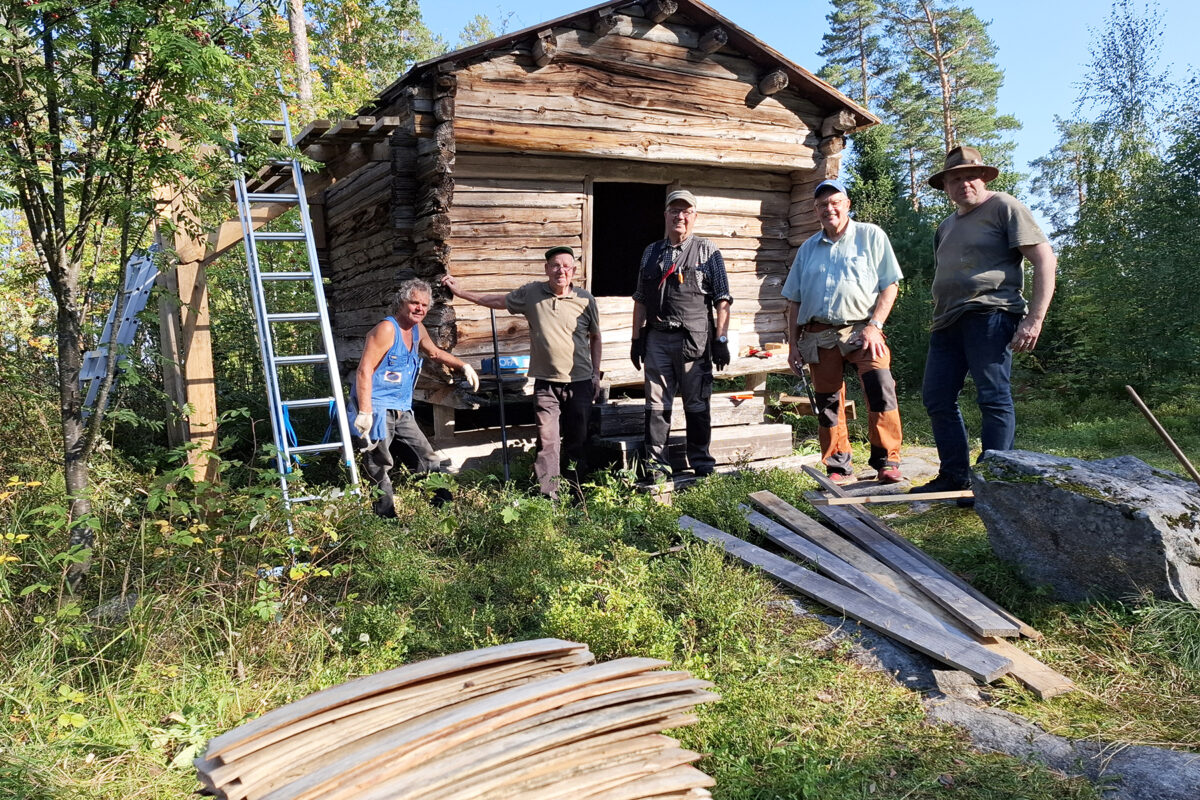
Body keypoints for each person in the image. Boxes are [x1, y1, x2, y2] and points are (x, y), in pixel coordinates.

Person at [913, 145, 1057, 494]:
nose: (964, 184)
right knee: (937, 397)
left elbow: (1045, 261)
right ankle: (954, 476)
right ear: (946, 187)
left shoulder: (1004, 207)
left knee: (993, 397)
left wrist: (1034, 320)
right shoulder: (946, 226)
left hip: (991, 314)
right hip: (947, 321)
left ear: (983, 177)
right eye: (955, 179)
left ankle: (992, 486)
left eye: (970, 176)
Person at [442, 246, 602, 499]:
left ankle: (577, 494)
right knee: (548, 441)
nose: (561, 270)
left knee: (577, 439)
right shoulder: (532, 294)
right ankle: (549, 496)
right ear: (547, 268)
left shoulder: (585, 300)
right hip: (546, 384)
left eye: (567, 266)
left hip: (580, 381)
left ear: (574, 270)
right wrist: (461, 292)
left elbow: (595, 338)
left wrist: (595, 374)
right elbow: (496, 301)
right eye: (556, 265)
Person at [783, 179, 904, 485]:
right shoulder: (807, 249)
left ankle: (887, 461)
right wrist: (792, 346)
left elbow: (890, 284)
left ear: (848, 204)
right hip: (818, 335)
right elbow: (794, 301)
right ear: (816, 211)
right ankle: (838, 465)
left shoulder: (870, 235)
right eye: (823, 205)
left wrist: (875, 326)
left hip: (863, 331)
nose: (829, 209)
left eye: (835, 202)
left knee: (880, 389)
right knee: (827, 402)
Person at [350, 279, 480, 518]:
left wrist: (463, 366)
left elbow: (433, 352)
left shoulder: (417, 329)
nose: (419, 308)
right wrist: (365, 412)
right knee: (379, 464)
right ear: (401, 303)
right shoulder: (386, 329)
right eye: (414, 303)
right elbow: (364, 370)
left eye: (424, 305)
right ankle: (384, 520)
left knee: (427, 456)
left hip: (401, 408)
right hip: (377, 408)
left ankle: (443, 511)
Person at [630, 189, 732, 479]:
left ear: (694, 216)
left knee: (697, 403)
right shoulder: (651, 252)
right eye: (674, 210)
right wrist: (636, 340)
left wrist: (721, 340)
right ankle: (656, 466)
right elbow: (639, 299)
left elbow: (722, 299)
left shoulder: (708, 250)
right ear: (665, 215)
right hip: (657, 340)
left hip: (694, 341)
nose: (680, 216)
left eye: (686, 211)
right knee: (655, 404)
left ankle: (701, 463)